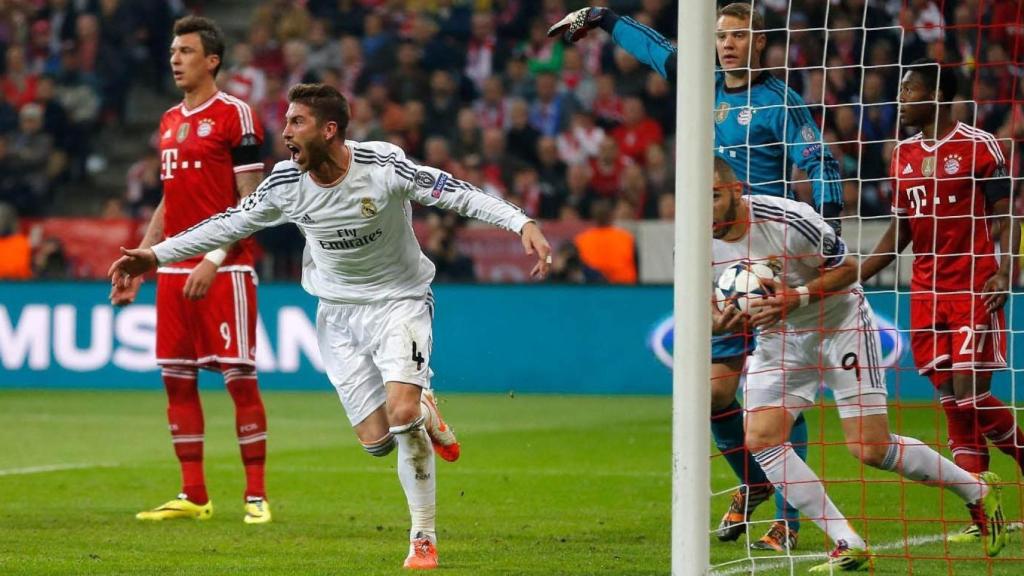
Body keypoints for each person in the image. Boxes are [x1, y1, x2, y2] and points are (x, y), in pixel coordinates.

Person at [109, 83, 552, 570]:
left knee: (401, 416)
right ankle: (427, 410)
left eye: (296, 122)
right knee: (377, 442)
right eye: (286, 121)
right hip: (338, 315)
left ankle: (422, 537)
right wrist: (154, 255)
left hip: (399, 302)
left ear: (329, 130)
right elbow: (227, 223)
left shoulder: (382, 166)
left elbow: (456, 193)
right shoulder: (285, 183)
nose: (285, 132)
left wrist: (521, 222)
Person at [551, 3, 848, 549]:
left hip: (768, 258)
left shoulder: (780, 102)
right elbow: (657, 50)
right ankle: (756, 482)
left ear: (760, 43)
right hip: (717, 260)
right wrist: (603, 17)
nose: (727, 44)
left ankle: (789, 519)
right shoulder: (701, 85)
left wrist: (824, 233)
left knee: (776, 393)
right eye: (720, 35)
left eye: (738, 35)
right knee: (712, 395)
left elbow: (821, 163)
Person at [710, 156, 1007, 570]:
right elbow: (706, 308)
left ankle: (977, 491)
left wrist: (797, 296)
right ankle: (848, 542)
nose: (705, 208)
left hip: (840, 324)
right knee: (760, 438)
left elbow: (849, 270)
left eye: (713, 195)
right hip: (780, 337)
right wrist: (722, 320)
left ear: (736, 191)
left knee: (870, 448)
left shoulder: (788, 219)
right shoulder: (695, 242)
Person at [108, 16, 273, 525]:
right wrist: (141, 259)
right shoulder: (168, 121)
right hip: (173, 270)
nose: (175, 59)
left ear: (212, 60)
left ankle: (256, 496)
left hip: (226, 269)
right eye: (173, 51)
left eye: (185, 51)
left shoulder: (236, 115)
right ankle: (194, 495)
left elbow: (253, 203)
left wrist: (213, 257)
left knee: (238, 380)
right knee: (177, 382)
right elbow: (170, 199)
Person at [861, 59, 1024, 541]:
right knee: (951, 398)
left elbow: (1007, 214)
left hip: (974, 284)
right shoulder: (903, 154)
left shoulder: (981, 145)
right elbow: (901, 231)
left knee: (970, 390)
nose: (900, 99)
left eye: (909, 90)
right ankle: (981, 509)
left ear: (936, 95)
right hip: (926, 292)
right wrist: (856, 275)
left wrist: (1007, 271)